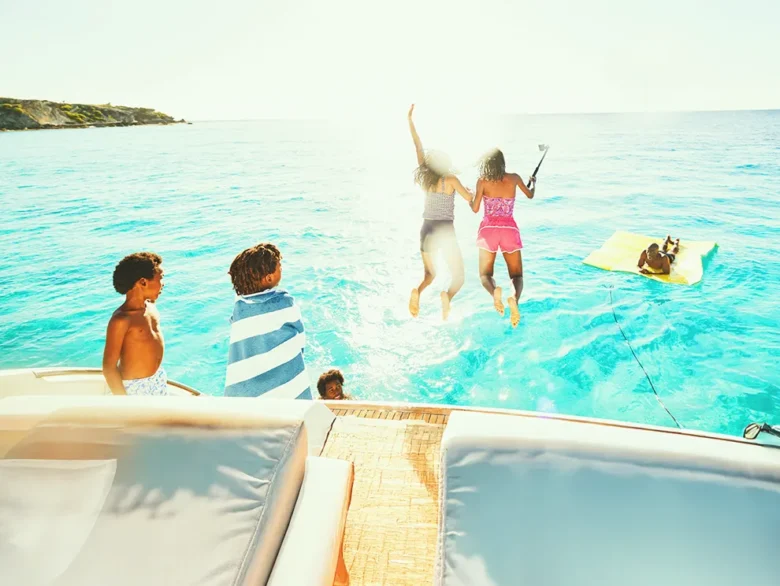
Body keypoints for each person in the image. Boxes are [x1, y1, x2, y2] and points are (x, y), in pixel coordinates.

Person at [407, 104, 474, 320]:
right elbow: (469, 198)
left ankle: (418, 290)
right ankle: (447, 296)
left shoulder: (427, 179)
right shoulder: (451, 180)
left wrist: (410, 121)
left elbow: (418, 148)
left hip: (426, 228)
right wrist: (471, 192)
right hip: (444, 229)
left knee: (430, 274)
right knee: (459, 276)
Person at [224, 242, 311, 399]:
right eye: (279, 267)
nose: (281, 268)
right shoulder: (283, 301)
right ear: (269, 278)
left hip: (242, 391)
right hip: (285, 388)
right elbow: (300, 338)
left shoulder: (239, 307)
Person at [470, 149, 535, 327]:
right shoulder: (514, 178)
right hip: (509, 229)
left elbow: (475, 208)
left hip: (488, 229)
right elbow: (530, 195)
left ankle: (494, 293)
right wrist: (532, 183)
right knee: (516, 275)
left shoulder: (482, 181)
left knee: (485, 274)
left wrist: (470, 198)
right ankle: (513, 298)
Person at [102, 252, 168, 395]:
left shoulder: (150, 307)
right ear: (143, 282)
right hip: (132, 388)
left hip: (156, 380)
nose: (163, 284)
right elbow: (109, 367)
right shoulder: (121, 320)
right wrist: (124, 400)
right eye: (161, 278)